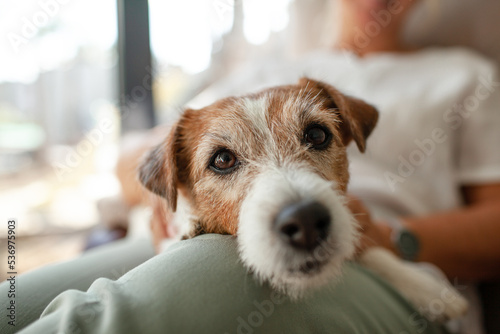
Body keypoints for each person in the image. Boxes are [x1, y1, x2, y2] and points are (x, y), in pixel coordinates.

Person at [1, 0, 499, 333]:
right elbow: (135, 165)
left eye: (316, 135)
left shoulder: (464, 75)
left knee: (198, 271)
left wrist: (393, 237)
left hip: (399, 277)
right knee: (16, 301)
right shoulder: (256, 71)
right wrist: (176, 207)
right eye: (224, 159)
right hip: (196, 236)